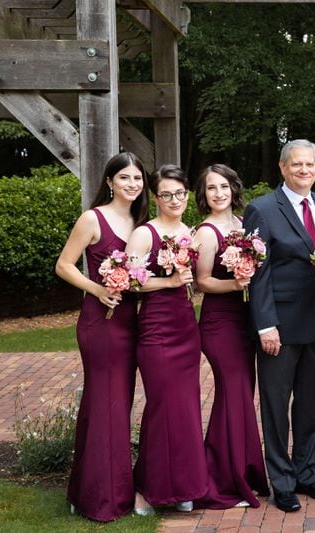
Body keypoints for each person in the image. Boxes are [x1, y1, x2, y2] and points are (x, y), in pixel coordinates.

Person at [242, 139, 315, 512]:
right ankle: (281, 482)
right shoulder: (262, 209)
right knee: (276, 406)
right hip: (279, 326)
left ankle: (307, 474)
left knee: (311, 405)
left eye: (309, 165)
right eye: (296, 165)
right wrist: (266, 325)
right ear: (282, 168)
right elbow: (257, 272)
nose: (303, 171)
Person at [56, 152, 149, 521]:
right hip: (100, 321)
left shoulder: (139, 220)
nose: (132, 184)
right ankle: (101, 500)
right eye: (124, 177)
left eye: (138, 178)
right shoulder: (92, 218)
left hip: (130, 321)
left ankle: (91, 490)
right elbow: (63, 265)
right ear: (109, 181)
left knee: (116, 406)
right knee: (105, 406)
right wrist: (96, 289)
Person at [125, 164, 208, 515]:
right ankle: (148, 488)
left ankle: (184, 487)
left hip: (186, 326)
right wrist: (170, 282)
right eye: (166, 194)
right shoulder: (145, 233)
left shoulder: (191, 232)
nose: (174, 200)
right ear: (155, 198)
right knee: (162, 408)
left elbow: (194, 280)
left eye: (180, 193)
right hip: (157, 328)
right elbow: (130, 281)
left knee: (187, 408)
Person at [193, 164, 269, 509]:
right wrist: (236, 284)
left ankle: (244, 472)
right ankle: (222, 481)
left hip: (246, 321)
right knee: (234, 394)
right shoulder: (206, 232)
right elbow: (202, 281)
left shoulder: (243, 224)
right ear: (204, 194)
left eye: (224, 186)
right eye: (212, 188)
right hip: (219, 323)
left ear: (233, 188)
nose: (219, 193)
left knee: (240, 396)